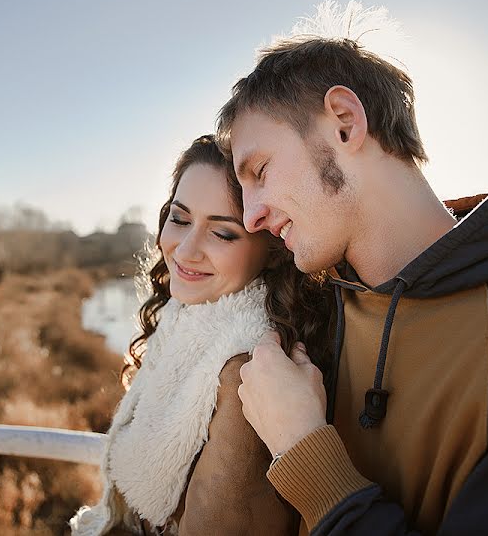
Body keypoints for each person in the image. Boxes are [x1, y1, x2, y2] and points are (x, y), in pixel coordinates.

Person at [216, 32, 488, 534]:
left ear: (345, 123)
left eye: (259, 170)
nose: (252, 216)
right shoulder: (315, 311)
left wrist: (304, 452)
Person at [70, 135, 331, 535]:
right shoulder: (182, 317)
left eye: (222, 233)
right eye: (179, 218)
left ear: (273, 248)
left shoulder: (246, 373)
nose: (185, 250)